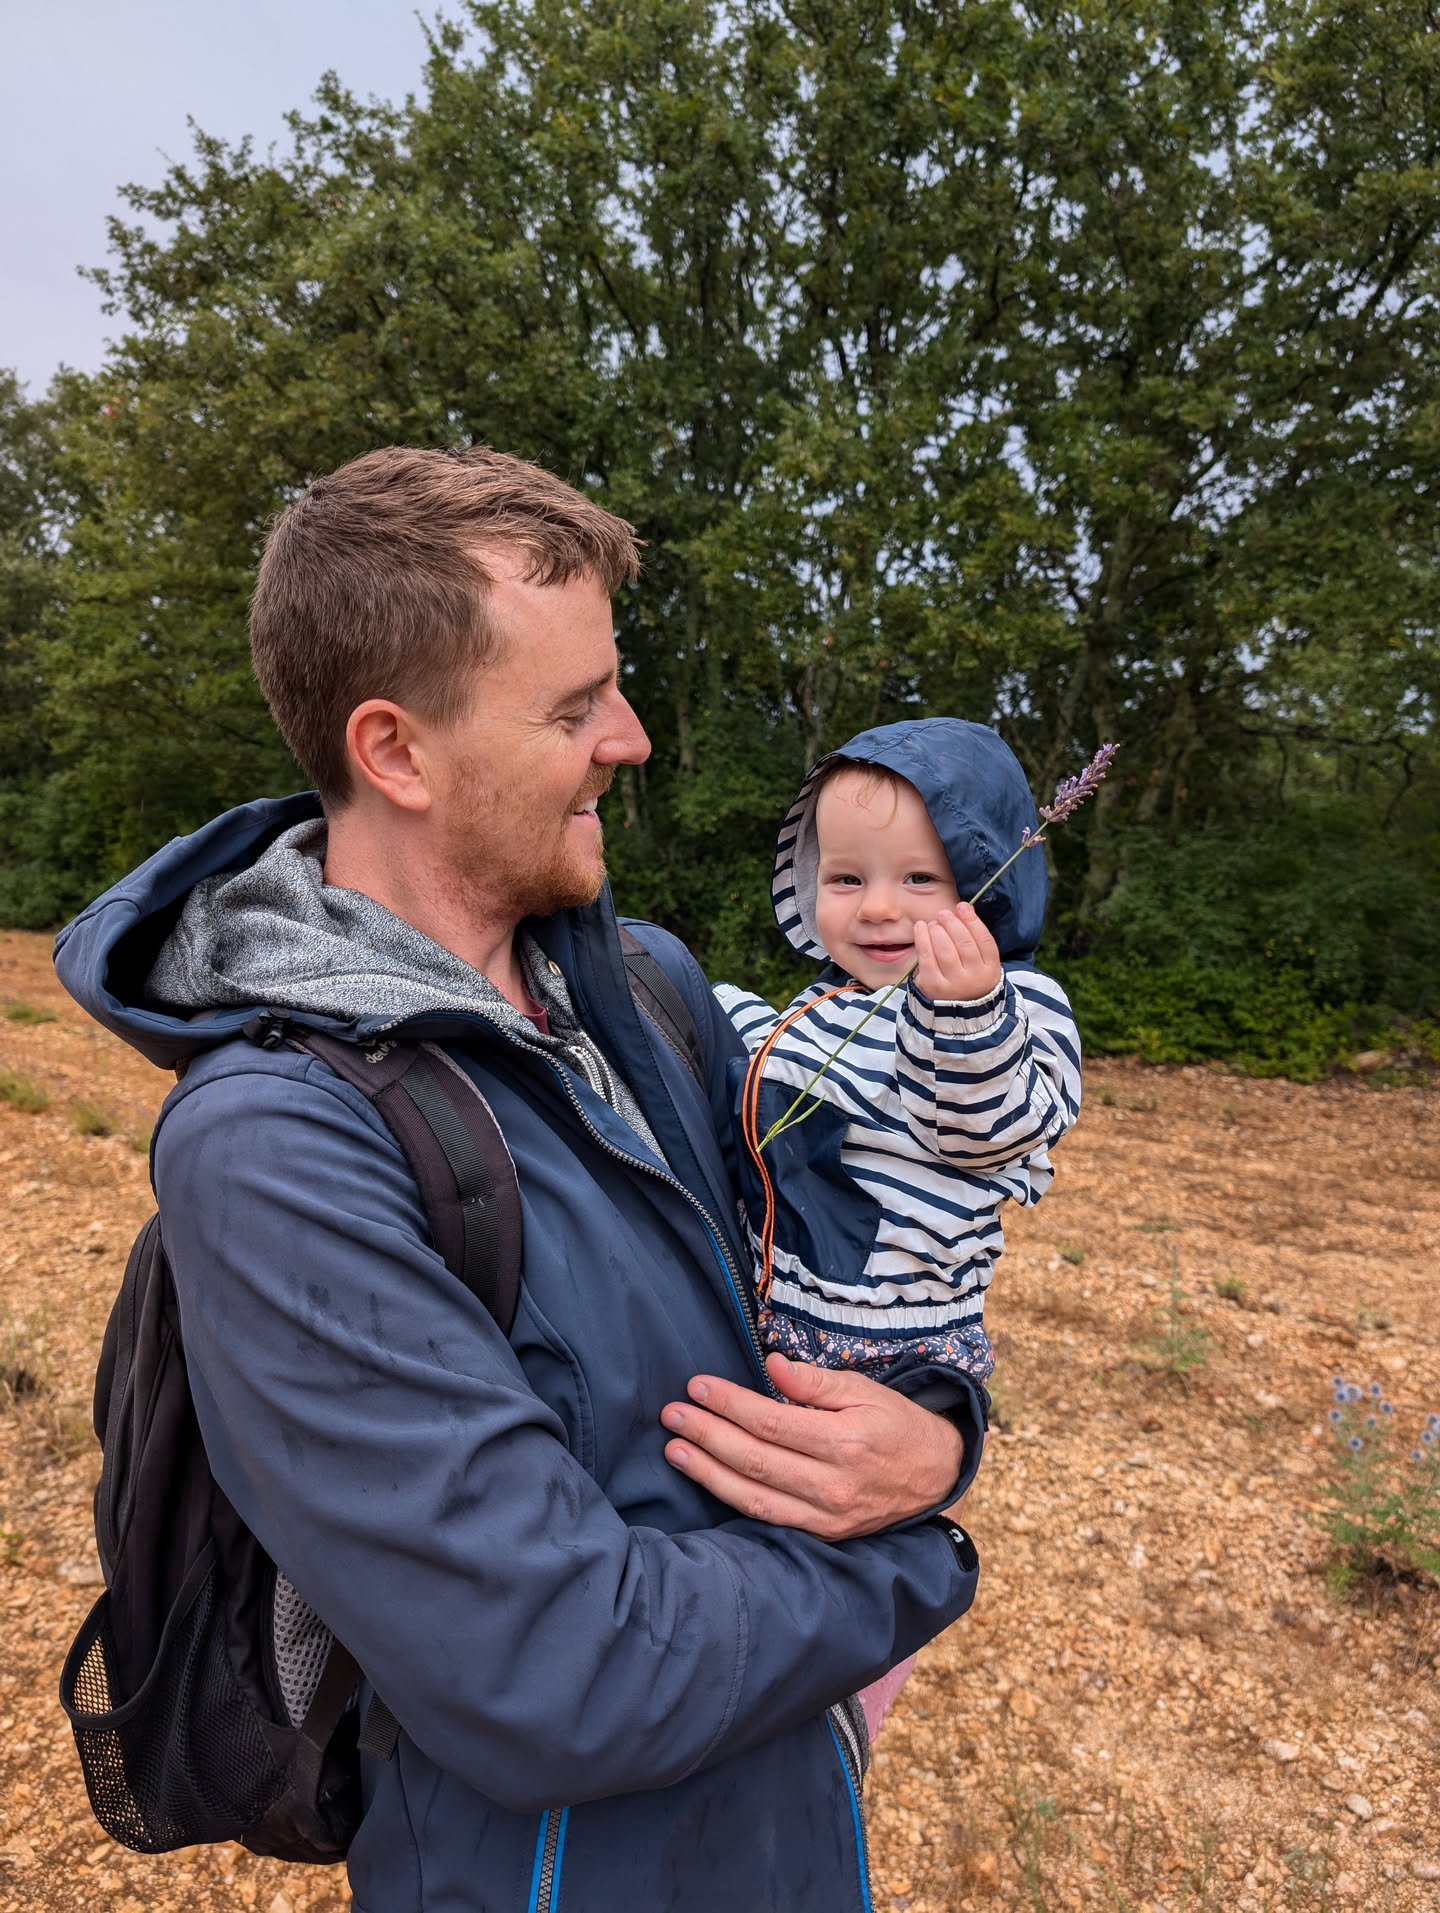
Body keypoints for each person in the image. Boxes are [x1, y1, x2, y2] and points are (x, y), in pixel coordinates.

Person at [56, 447, 984, 1913]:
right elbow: (559, 1670)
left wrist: (939, 1432)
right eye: (574, 706)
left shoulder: (652, 990)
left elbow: (851, 1273)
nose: (633, 738)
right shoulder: (277, 1143)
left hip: (791, 1832)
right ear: (397, 752)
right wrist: (923, 1559)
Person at [716, 722, 1083, 1390]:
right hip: (773, 1311)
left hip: (896, 1344)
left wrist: (965, 1013)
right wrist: (697, 1000)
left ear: (985, 882)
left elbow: (990, 1136)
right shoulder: (833, 998)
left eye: (920, 877)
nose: (878, 907)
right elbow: (773, 1063)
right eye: (847, 877)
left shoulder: (1017, 1004)